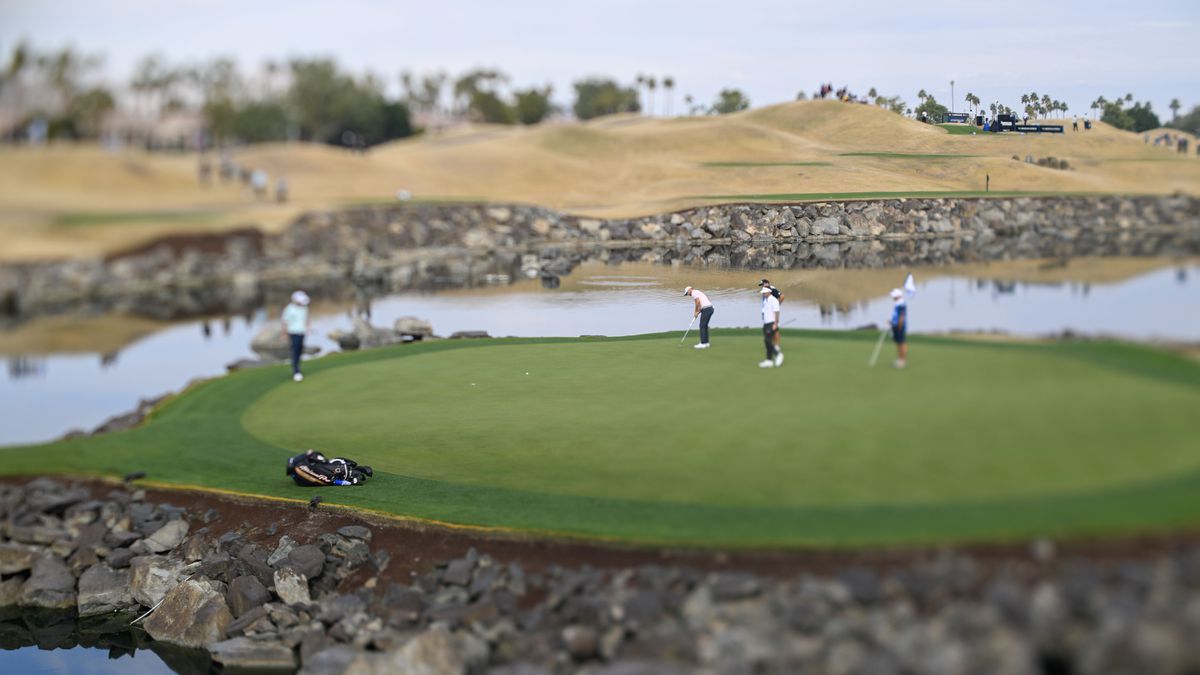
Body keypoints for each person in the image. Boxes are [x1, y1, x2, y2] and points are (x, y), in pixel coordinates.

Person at [282, 290, 311, 381]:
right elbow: (284, 322)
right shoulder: (289, 309)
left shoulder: (304, 308)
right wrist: (284, 334)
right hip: (293, 332)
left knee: (300, 350)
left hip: (302, 332)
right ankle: (296, 371)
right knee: (295, 351)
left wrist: (308, 328)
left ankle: (297, 366)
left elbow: (307, 318)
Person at [758, 279, 785, 361]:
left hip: (772, 315)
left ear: (767, 283)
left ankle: (776, 346)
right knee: (769, 331)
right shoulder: (765, 291)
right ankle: (771, 346)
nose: (762, 286)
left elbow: (782, 296)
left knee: (775, 330)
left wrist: (777, 305)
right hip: (766, 314)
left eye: (763, 284)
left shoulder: (772, 289)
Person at [889, 288, 907, 369]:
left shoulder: (901, 304)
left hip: (900, 326)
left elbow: (902, 317)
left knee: (901, 342)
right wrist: (891, 322)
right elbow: (896, 315)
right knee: (898, 343)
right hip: (895, 325)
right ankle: (900, 359)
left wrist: (899, 326)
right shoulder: (897, 303)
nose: (892, 297)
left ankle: (902, 361)